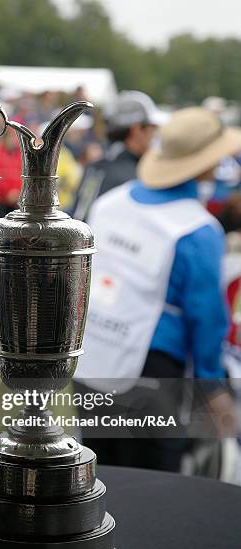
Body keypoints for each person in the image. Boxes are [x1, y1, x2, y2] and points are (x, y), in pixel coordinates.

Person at [74, 107, 241, 471]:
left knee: (100, 480)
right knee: (154, 490)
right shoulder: (197, 229)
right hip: (151, 373)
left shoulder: (110, 203)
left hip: (92, 360)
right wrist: (213, 389)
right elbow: (207, 319)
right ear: (207, 162)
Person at [70, 90, 168, 221]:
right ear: (136, 130)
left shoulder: (95, 166)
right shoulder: (136, 175)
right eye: (152, 129)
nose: (153, 136)